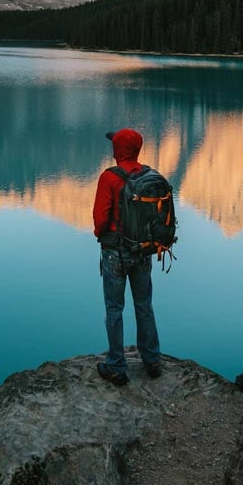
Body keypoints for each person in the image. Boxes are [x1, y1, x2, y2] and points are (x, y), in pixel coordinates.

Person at [93, 127, 162, 385]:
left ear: (117, 151)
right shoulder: (149, 176)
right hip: (143, 251)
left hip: (115, 254)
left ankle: (116, 366)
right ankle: (152, 360)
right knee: (144, 306)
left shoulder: (109, 178)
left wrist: (102, 234)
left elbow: (100, 219)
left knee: (114, 309)